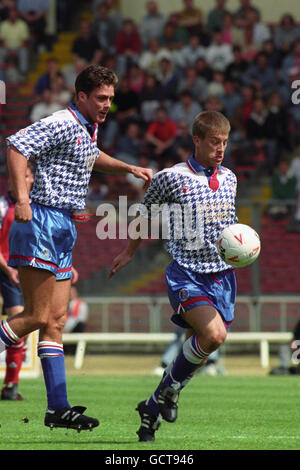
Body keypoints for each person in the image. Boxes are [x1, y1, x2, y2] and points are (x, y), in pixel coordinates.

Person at [3, 65, 152, 432]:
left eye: (111, 100)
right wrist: (22, 198)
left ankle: (58, 408)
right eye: (101, 98)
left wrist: (128, 167)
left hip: (64, 225)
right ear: (81, 96)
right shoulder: (63, 121)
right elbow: (17, 146)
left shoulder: (88, 128)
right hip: (40, 222)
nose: (107, 105)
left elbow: (92, 157)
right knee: (37, 317)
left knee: (55, 322)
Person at [109, 110, 238, 442]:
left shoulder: (230, 179)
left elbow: (229, 228)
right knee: (214, 336)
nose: (220, 148)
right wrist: (129, 251)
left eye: (224, 142)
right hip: (186, 275)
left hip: (222, 277)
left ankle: (152, 407)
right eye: (214, 142)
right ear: (196, 140)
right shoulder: (172, 177)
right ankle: (167, 393)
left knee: (194, 352)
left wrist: (242, 246)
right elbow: (144, 212)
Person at [0, 163, 34, 400]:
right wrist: (7, 268)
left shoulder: (38, 206)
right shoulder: (2, 206)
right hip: (6, 267)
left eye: (27, 175)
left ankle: (11, 386)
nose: (22, 180)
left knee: (19, 327)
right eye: (18, 176)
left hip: (15, 271)